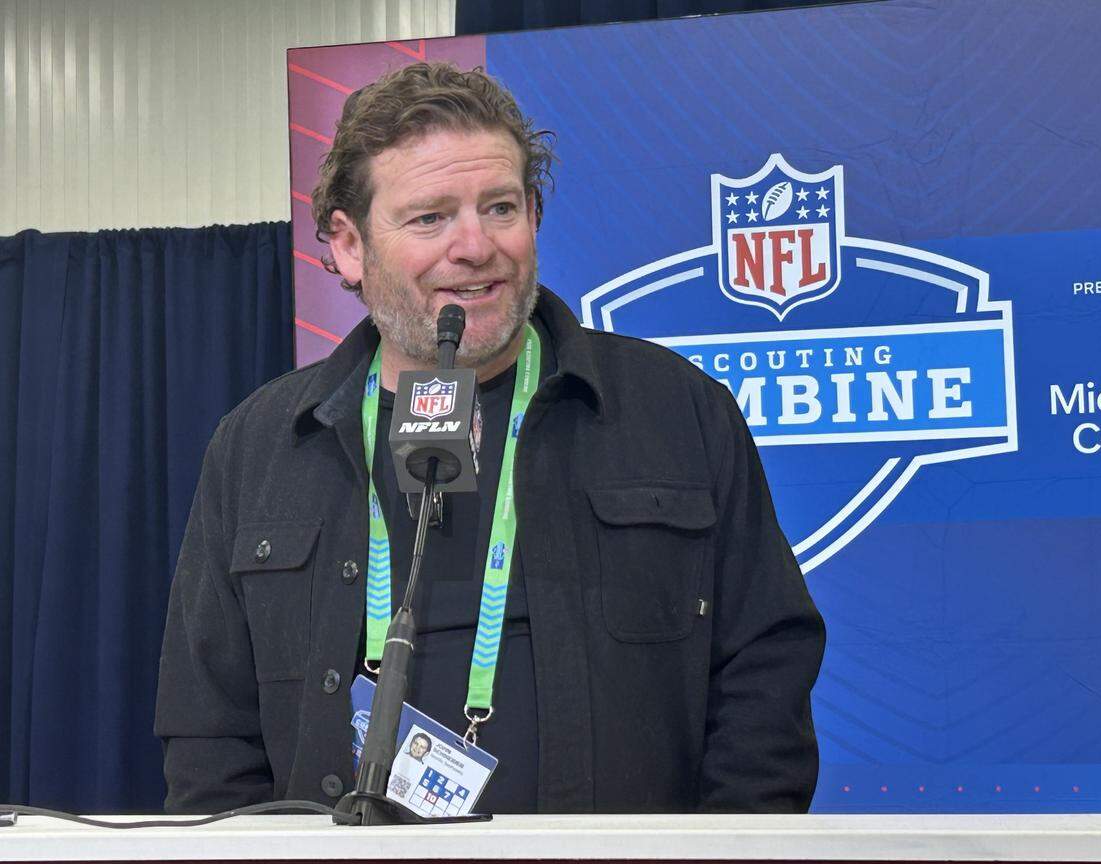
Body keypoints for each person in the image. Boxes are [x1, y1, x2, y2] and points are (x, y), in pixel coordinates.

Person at [155, 62, 825, 815]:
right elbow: (207, 727)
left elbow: (766, 674)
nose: (474, 247)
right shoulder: (259, 446)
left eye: (499, 207)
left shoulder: (679, 411)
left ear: (534, 216)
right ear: (348, 246)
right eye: (430, 217)